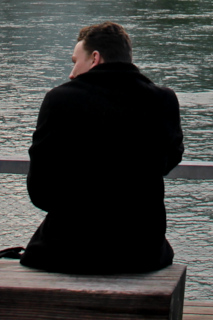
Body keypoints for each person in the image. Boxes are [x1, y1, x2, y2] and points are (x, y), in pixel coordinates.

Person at [21, 21, 183, 274]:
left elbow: (40, 190)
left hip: (68, 251)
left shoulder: (60, 99)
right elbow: (168, 161)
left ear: (95, 58)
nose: (72, 73)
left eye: (75, 61)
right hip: (142, 253)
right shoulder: (163, 100)